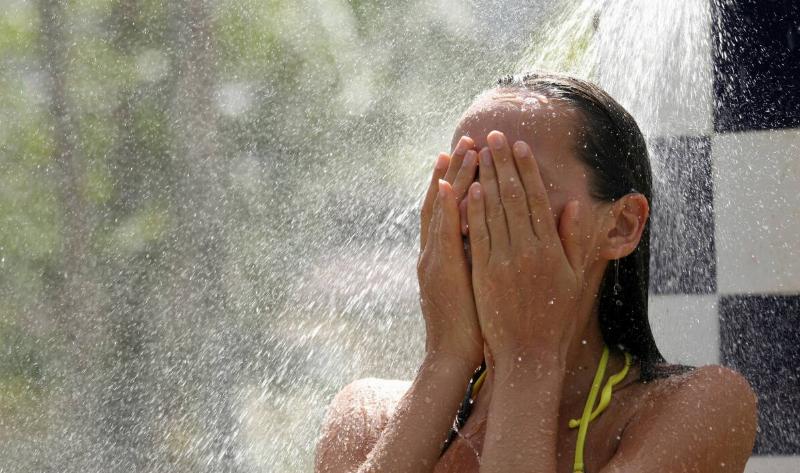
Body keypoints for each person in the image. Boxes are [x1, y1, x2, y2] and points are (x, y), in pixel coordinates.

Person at [314, 72, 758, 473]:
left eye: (515, 186)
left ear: (622, 226)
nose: (478, 212)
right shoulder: (370, 415)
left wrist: (528, 356)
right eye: (465, 178)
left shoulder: (694, 408)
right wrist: (445, 357)